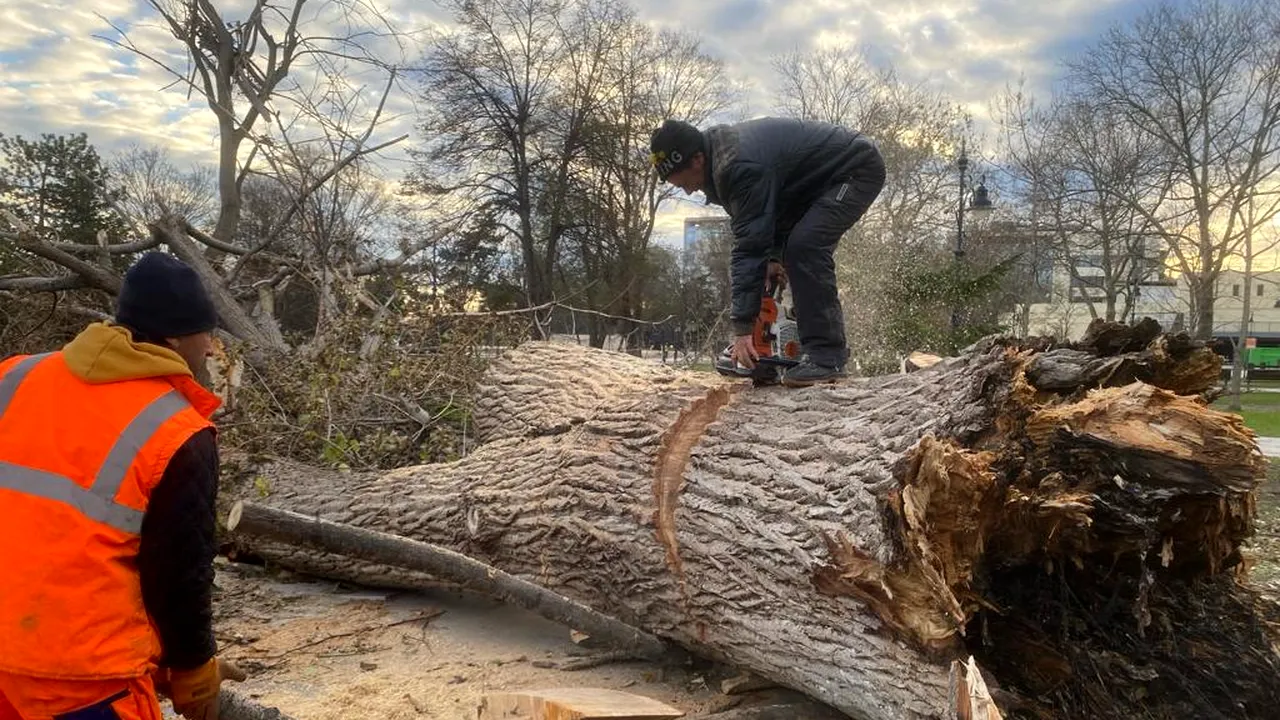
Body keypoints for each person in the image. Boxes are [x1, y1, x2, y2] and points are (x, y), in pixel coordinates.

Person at [0, 252, 244, 720]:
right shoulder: (177, 432)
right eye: (206, 334)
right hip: (83, 679)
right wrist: (194, 671)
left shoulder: (15, 375)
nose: (212, 350)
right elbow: (179, 576)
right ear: (174, 338)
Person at [650, 117, 886, 386]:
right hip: (807, 187)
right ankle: (774, 347)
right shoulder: (720, 162)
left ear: (696, 160)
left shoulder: (737, 166)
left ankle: (826, 356)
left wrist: (742, 329)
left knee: (805, 248)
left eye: (683, 182)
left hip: (855, 168)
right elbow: (768, 217)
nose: (689, 190)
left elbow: (749, 248)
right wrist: (773, 258)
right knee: (780, 259)